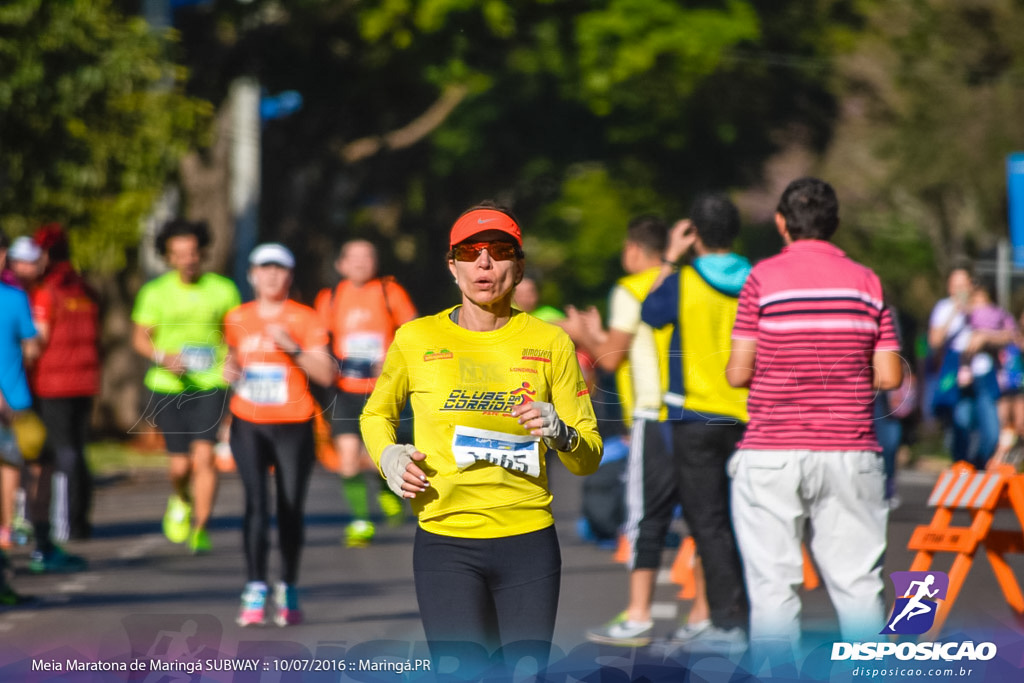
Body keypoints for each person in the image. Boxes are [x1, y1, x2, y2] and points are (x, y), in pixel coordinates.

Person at [360, 203, 602, 670]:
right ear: (453, 266)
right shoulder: (416, 338)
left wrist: (562, 433)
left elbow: (587, 457)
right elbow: (375, 416)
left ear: (519, 265)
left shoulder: (551, 343)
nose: (485, 264)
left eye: (500, 251)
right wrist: (388, 456)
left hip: (527, 540)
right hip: (445, 540)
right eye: (470, 252)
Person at [725, 177, 902, 654]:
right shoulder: (867, 281)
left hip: (771, 452)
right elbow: (889, 375)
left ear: (781, 223)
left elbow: (738, 374)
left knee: (773, 588)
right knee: (859, 586)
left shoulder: (761, 279)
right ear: (835, 225)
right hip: (850, 448)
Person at [564, 215, 709, 648]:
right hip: (702, 411)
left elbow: (611, 358)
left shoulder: (630, 289)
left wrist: (584, 335)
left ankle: (639, 615)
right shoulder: (688, 282)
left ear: (633, 250)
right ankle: (703, 613)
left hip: (654, 412)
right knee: (705, 515)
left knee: (645, 516)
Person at [640, 193, 751, 652]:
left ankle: (728, 624)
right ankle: (757, 615)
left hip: (695, 417)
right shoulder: (757, 280)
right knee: (750, 521)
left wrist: (670, 256)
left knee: (708, 524)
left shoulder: (682, 281)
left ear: (696, 234)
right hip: (750, 416)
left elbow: (650, 312)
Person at [224, 243, 336, 626]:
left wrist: (294, 349)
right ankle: (255, 587)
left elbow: (326, 374)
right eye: (263, 269)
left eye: (279, 269)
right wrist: (229, 369)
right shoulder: (236, 316)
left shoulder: (305, 318)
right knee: (256, 503)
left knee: (290, 506)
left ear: (289, 276)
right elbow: (231, 357)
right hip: (248, 422)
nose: (271, 276)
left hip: (295, 421)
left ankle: (287, 585)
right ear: (252, 275)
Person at [131, 219, 240, 554]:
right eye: (179, 254)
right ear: (168, 257)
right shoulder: (155, 292)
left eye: (193, 252)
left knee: (204, 457)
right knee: (180, 465)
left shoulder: (223, 289)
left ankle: (201, 527)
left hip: (210, 383)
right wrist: (162, 355)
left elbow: (235, 334)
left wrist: (232, 362)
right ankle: (180, 497)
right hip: (167, 384)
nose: (188, 260)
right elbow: (139, 338)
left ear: (202, 253)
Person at [314, 239, 417, 547]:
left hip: (383, 390)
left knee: (377, 457)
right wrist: (328, 364)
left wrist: (392, 359)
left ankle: (387, 490)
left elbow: (413, 333)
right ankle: (360, 521)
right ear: (341, 265)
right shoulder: (330, 297)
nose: (360, 262)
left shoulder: (390, 292)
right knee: (347, 457)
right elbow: (319, 339)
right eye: (353, 257)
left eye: (367, 256)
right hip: (345, 390)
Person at [7, 235, 89, 573]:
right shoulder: (21, 297)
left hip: (30, 394)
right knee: (24, 465)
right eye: (21, 261)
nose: (30, 267)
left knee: (33, 463)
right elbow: (33, 347)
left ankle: (37, 537)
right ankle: (26, 532)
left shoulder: (27, 295)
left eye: (34, 260)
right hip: (19, 396)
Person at [28, 226, 102, 544]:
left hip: (53, 383)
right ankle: (81, 519)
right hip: (85, 381)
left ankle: (67, 522)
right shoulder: (84, 290)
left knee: (62, 453)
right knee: (78, 449)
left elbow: (39, 340)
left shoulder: (47, 294)